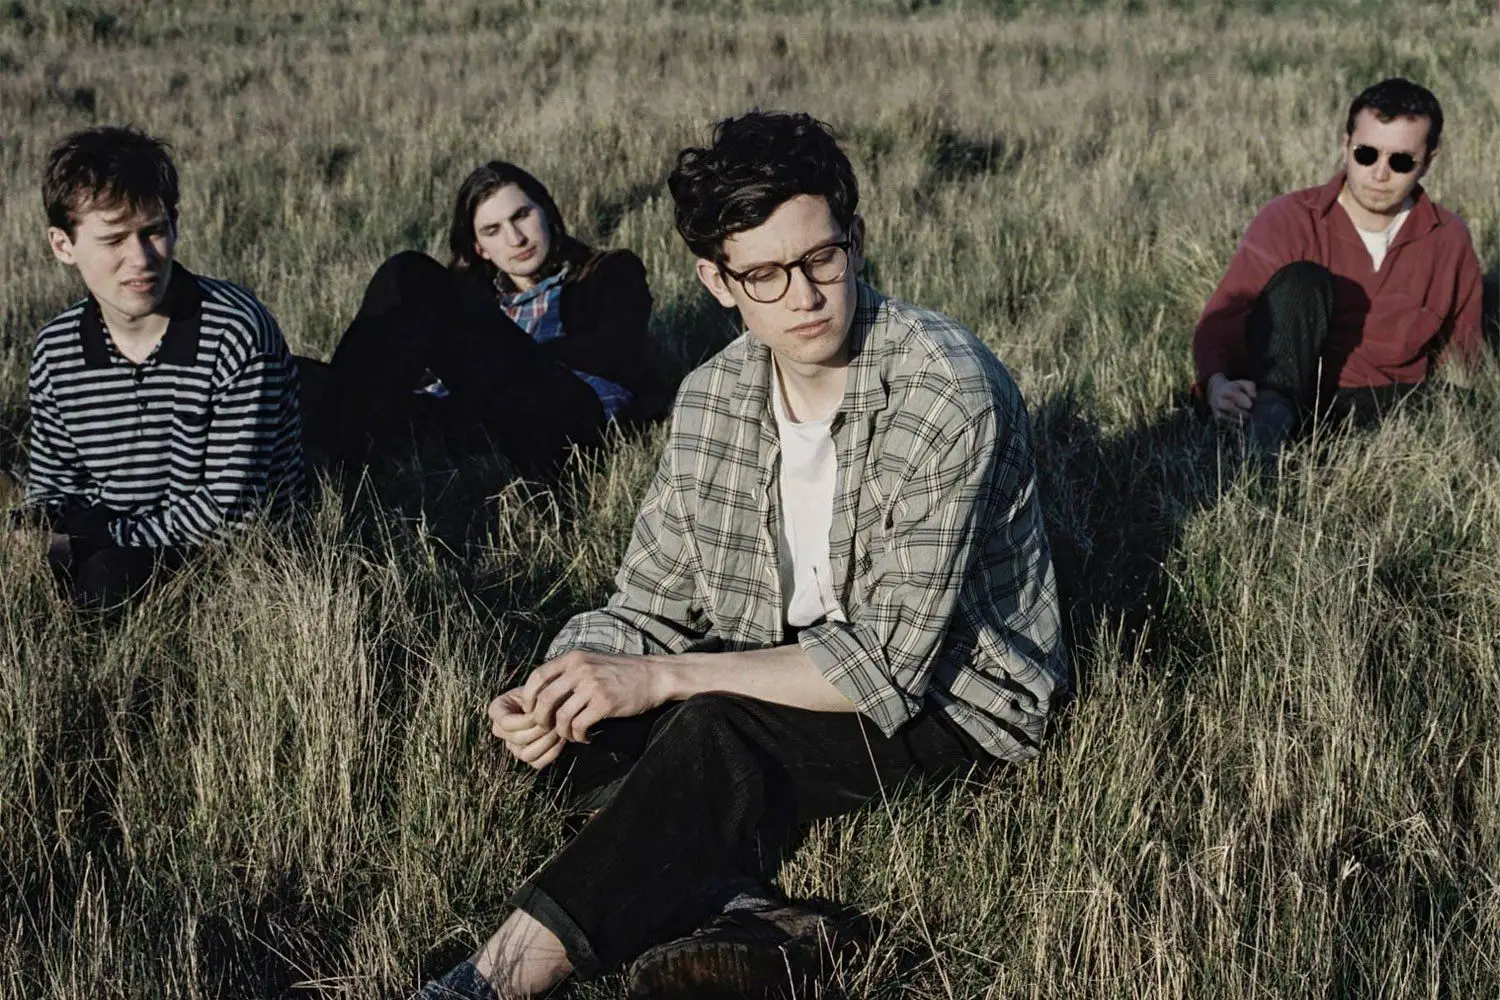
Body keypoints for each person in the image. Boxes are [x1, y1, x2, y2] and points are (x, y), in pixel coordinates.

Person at [413, 111, 1070, 1000]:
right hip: (781, 657)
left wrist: (667, 679)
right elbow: (649, 604)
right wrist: (566, 679)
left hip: (952, 697)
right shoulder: (711, 399)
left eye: (821, 259)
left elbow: (886, 668)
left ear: (855, 241)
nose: (804, 297)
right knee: (564, 734)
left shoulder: (943, 388)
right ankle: (756, 914)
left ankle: (486, 982)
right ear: (717, 282)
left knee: (711, 729)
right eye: (764, 274)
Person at [12, 126, 304, 608]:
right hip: (123, 527)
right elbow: (56, 483)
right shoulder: (56, 350)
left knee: (103, 587)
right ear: (63, 245)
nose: (141, 259)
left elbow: (236, 514)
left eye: (152, 231)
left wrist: (101, 537)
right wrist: (37, 526)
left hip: (222, 544)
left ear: (175, 223)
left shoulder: (235, 334)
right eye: (113, 240)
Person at [1194, 77, 1485, 452]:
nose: (1379, 174)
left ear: (1427, 162)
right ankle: (1261, 455)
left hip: (1382, 400)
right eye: (1366, 154)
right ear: (1345, 145)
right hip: (1287, 392)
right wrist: (1217, 384)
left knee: (1474, 406)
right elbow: (1223, 318)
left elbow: (1461, 350)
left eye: (1400, 161)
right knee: (1303, 281)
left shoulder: (1449, 237)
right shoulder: (1289, 217)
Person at [320, 161, 661, 476]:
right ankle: (337, 446)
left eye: (522, 215)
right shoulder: (474, 299)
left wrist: (499, 349)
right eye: (492, 230)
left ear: (545, 210)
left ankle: (337, 438)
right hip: (473, 418)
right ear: (479, 247)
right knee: (305, 380)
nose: (516, 239)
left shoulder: (608, 270)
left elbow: (616, 348)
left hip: (568, 417)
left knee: (410, 271)